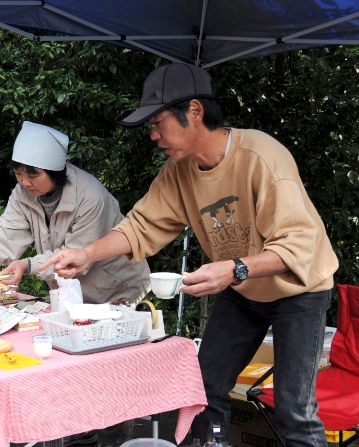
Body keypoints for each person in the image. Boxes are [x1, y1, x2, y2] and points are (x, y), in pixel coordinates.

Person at [42, 63, 338, 444]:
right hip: (243, 288)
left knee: (294, 409)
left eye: (158, 123)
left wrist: (233, 269)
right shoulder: (178, 171)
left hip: (299, 289)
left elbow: (299, 245)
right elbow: (140, 226)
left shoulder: (261, 157)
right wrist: (87, 254)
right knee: (204, 387)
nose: (153, 135)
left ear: (194, 111)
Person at [0, 121, 151, 305]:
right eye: (18, 173)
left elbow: (75, 256)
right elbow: (4, 238)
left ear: (55, 172)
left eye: (33, 174)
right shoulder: (22, 194)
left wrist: (27, 265)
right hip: (70, 293)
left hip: (116, 289)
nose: (25, 182)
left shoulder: (90, 197)